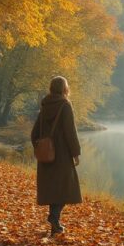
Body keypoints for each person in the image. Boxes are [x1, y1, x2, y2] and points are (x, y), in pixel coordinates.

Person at [31, 76, 82, 236]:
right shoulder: (65, 105)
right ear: (64, 88)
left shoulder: (44, 106)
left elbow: (34, 134)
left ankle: (55, 223)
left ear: (51, 88)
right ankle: (54, 219)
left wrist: (41, 148)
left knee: (53, 189)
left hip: (46, 157)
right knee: (65, 188)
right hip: (62, 157)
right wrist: (75, 153)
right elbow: (70, 132)